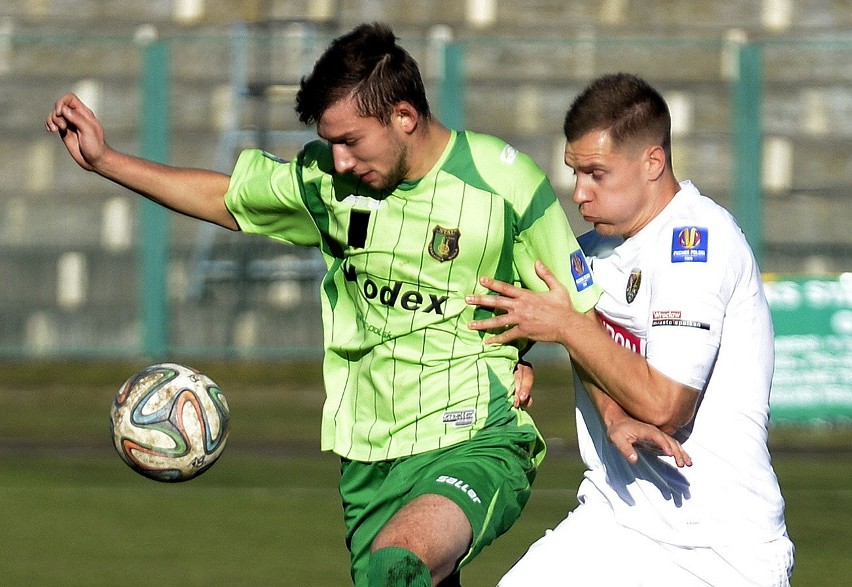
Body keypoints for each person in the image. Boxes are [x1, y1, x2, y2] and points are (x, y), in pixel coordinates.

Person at [46, 23, 605, 587]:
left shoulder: (503, 183)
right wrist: (106, 161)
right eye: (330, 142)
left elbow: (581, 312)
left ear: (404, 117)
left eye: (351, 141)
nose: (338, 160)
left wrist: (618, 417)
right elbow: (225, 197)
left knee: (399, 562)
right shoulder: (327, 184)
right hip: (367, 457)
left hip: (474, 438)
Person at [467, 73, 794, 585]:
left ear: (652, 163)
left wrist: (568, 328)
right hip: (615, 523)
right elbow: (571, 331)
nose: (579, 193)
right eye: (575, 173)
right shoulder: (589, 252)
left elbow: (665, 404)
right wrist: (514, 362)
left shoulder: (696, 243)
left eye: (597, 174)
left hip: (719, 550)